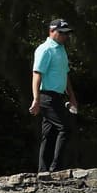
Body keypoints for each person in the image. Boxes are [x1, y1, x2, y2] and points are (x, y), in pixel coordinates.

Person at [30, 18, 78, 172]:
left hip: (57, 96)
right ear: (51, 31)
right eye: (62, 33)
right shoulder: (45, 49)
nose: (65, 36)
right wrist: (36, 99)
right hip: (46, 97)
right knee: (65, 128)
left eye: (66, 34)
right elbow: (37, 74)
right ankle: (55, 168)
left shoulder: (61, 49)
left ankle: (43, 171)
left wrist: (72, 97)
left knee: (49, 134)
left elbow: (65, 75)